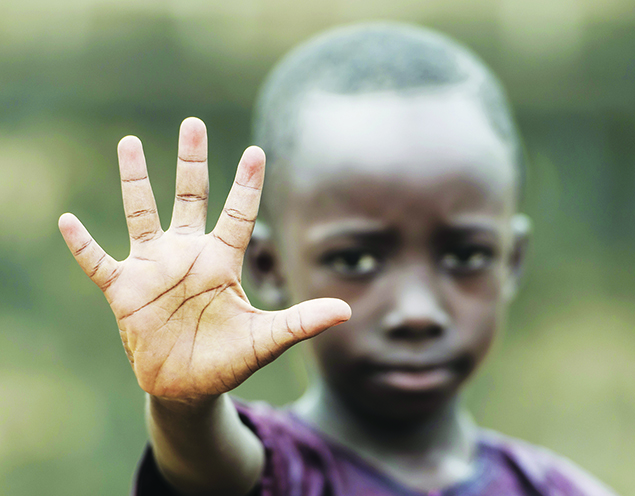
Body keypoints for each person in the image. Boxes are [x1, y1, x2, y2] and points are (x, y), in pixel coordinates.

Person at [59, 22, 617, 496]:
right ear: (269, 267)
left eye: (466, 255)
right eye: (356, 261)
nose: (417, 311)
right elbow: (211, 469)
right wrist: (186, 406)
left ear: (513, 261)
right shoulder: (285, 469)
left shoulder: (558, 488)